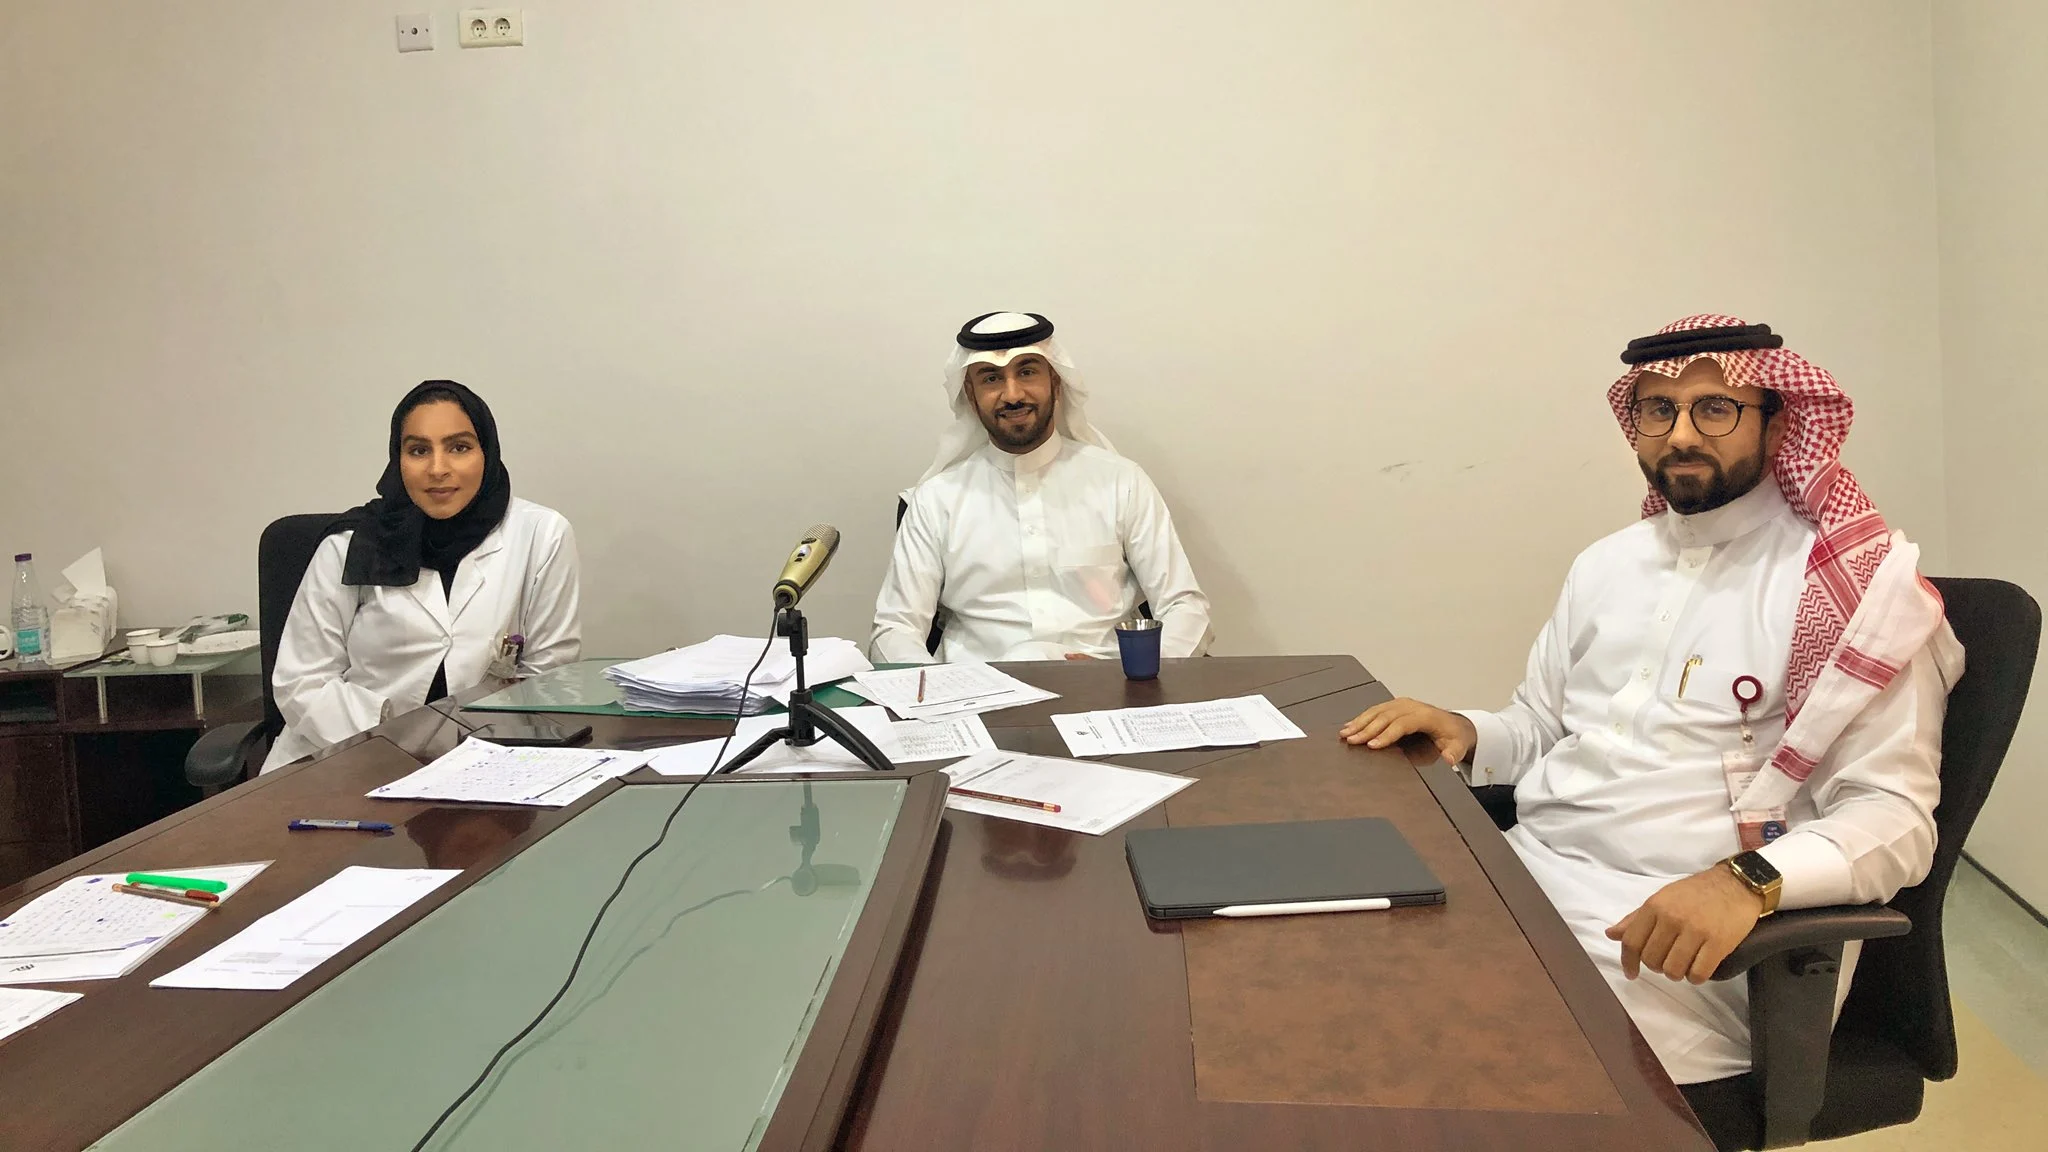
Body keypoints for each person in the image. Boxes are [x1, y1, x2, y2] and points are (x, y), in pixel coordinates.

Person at [1338, 315, 1962, 1086]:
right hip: (1524, 881)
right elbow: (1544, 727)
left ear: (1778, 425)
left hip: (1685, 950)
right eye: (1659, 409)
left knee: (1431, 1067)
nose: (1682, 434)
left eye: (1715, 408)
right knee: (1337, 990)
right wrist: (1464, 730)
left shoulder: (1855, 590)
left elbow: (1893, 820)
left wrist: (1746, 882)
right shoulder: (1606, 566)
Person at [263, 381, 582, 771]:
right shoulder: (351, 544)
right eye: (418, 450)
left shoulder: (541, 535)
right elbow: (301, 681)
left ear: (487, 452)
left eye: (459, 447)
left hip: (487, 761)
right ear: (398, 459)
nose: (437, 469)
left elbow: (549, 677)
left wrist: (474, 752)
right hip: (344, 755)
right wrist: (396, 735)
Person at [870, 311, 1212, 663]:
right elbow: (895, 629)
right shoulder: (935, 500)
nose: (1012, 394)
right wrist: (938, 688)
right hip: (978, 687)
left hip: (1104, 683)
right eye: (991, 378)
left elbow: (1185, 607)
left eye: (1027, 372)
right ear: (971, 395)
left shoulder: (1121, 482)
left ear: (1056, 382)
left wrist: (1135, 674)